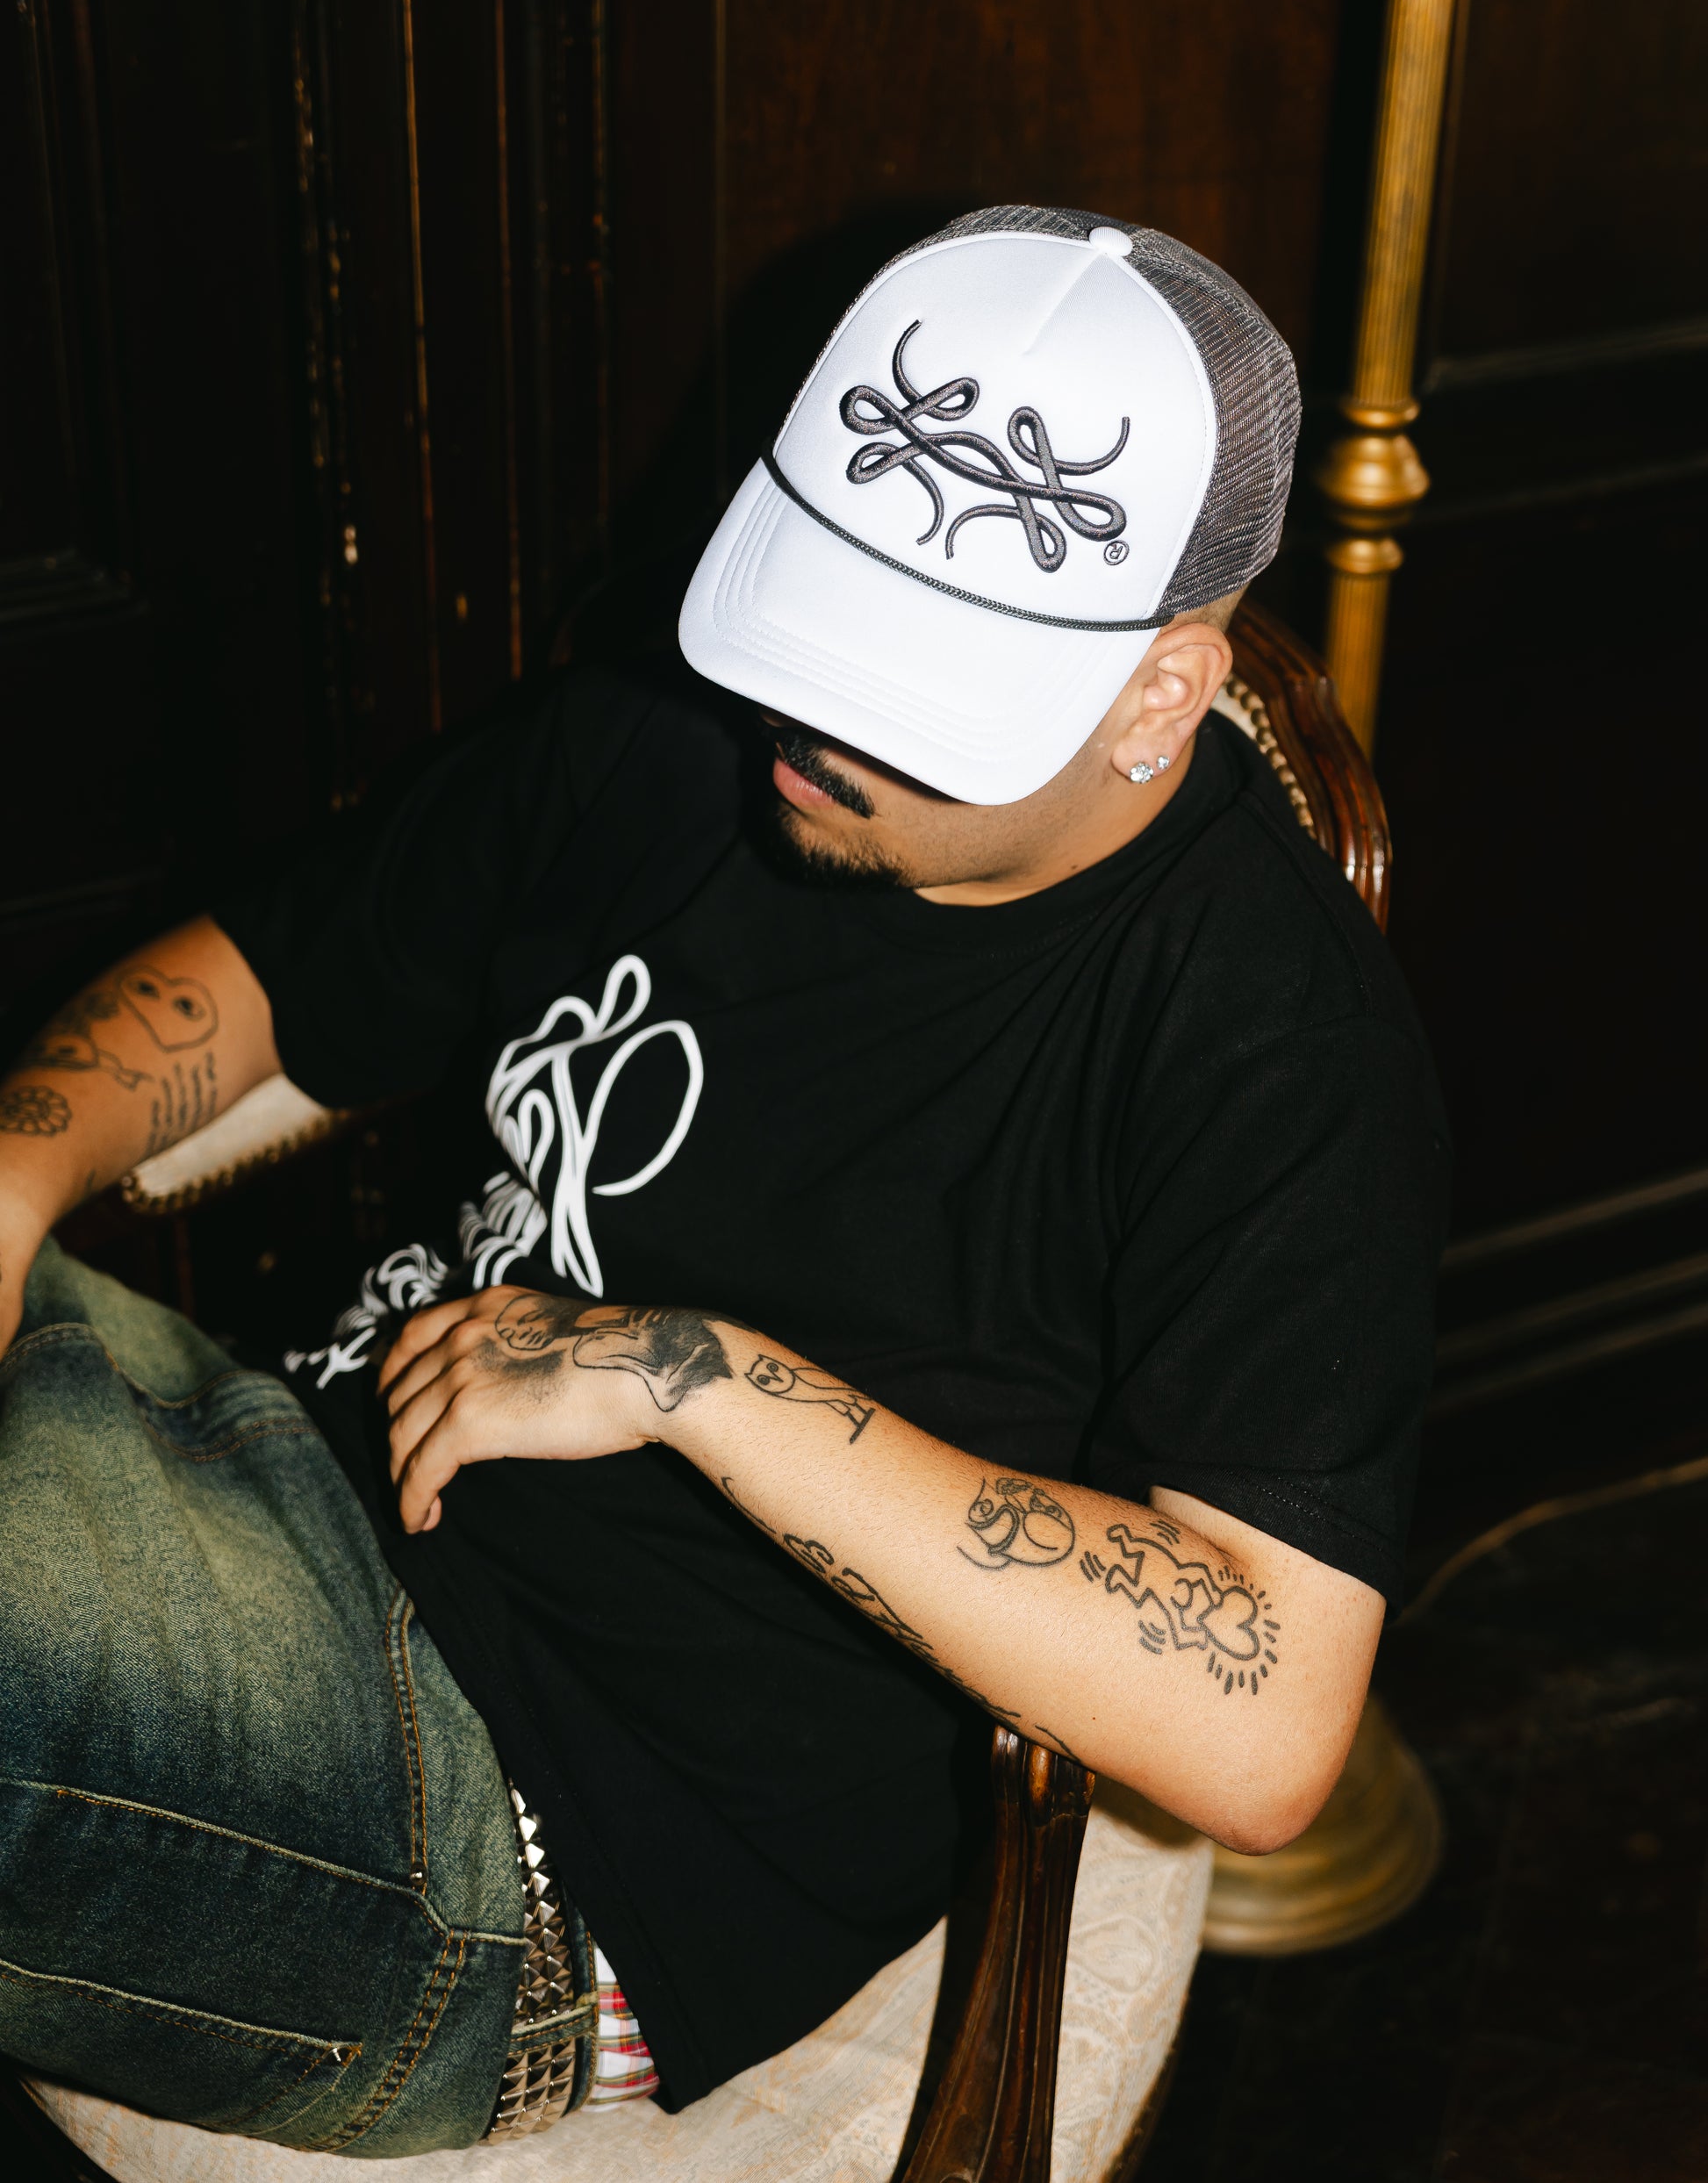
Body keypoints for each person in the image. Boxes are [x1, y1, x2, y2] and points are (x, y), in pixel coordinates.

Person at [0, 208, 1447, 2153]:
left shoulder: (1272, 1041)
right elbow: (280, 969)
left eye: (910, 691)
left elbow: (1261, 1731)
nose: (813, 725)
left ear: (1158, 694)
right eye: (811, 621)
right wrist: (12, 1171)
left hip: (537, 1836)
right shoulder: (683, 738)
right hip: (265, 1468)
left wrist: (693, 1377)